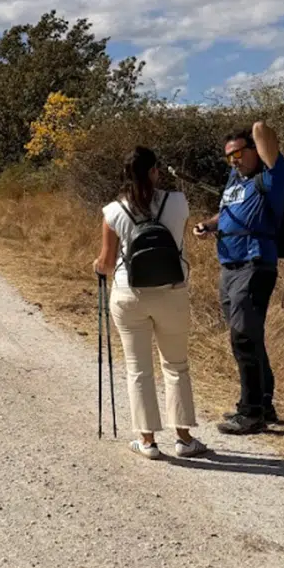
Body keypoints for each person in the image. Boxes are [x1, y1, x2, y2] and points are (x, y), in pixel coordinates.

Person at [94, 146, 207, 459]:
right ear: (155, 172)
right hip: (172, 291)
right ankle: (184, 439)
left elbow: (106, 263)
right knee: (176, 365)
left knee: (138, 369)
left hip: (129, 294)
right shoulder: (178, 202)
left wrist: (97, 265)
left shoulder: (113, 211)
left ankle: (147, 442)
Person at [193, 121, 284, 435]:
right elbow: (226, 212)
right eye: (228, 156)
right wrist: (209, 225)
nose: (233, 160)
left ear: (255, 150)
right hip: (230, 266)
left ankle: (250, 413)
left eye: (238, 153)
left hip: (254, 263)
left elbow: (262, 130)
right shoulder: (236, 180)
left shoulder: (273, 175)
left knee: (243, 338)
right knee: (250, 335)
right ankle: (263, 403)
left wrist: (255, 133)